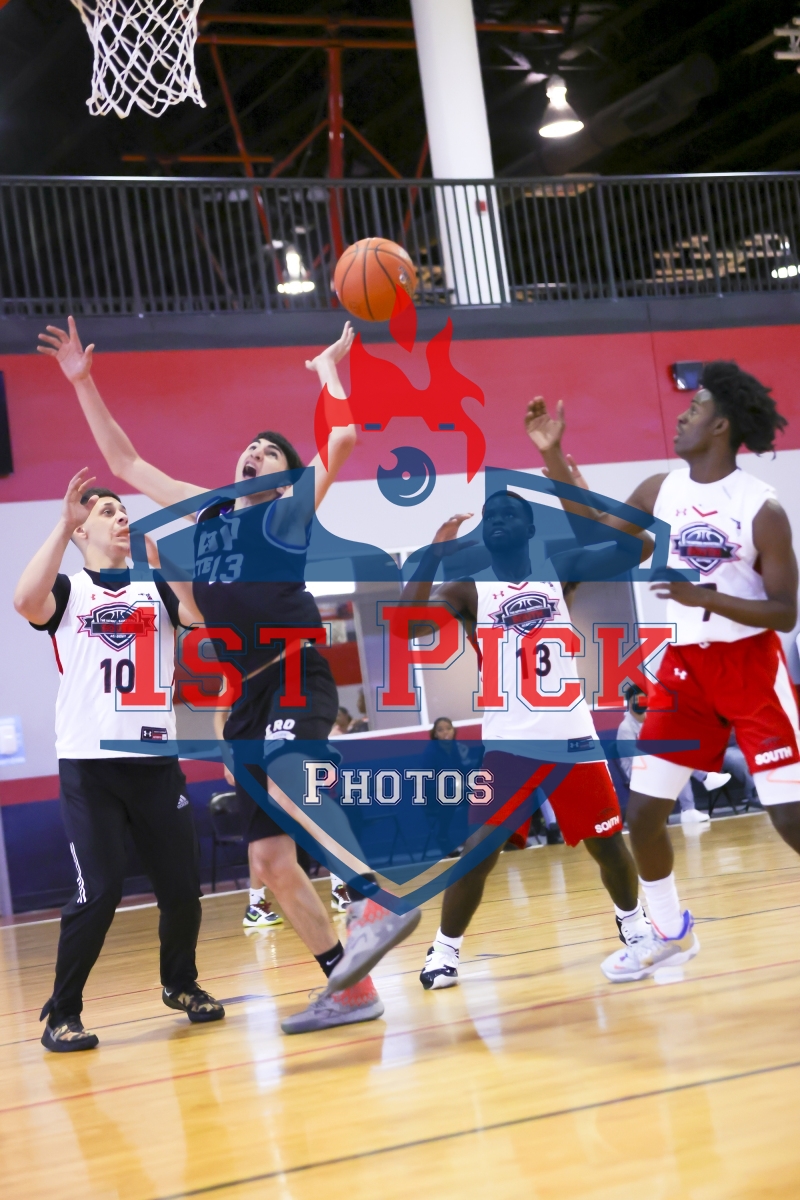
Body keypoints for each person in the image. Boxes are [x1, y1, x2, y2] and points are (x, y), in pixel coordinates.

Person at [38, 317, 420, 1034]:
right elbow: (124, 459)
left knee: (284, 781)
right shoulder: (207, 511)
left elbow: (342, 438)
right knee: (269, 861)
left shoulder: (288, 514)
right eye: (251, 447)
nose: (255, 453)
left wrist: (328, 372)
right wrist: (83, 383)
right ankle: (350, 987)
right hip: (247, 698)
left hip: (295, 672)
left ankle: (375, 896)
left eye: (271, 452)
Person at [527, 361, 800, 981]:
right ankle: (671, 931)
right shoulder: (660, 490)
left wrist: (704, 597)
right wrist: (553, 454)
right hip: (684, 671)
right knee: (645, 815)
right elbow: (600, 536)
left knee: (789, 816)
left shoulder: (762, 508)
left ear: (722, 425)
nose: (682, 415)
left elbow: (785, 611)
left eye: (695, 407)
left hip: (750, 666)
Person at [402, 483, 648, 992]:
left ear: (530, 527)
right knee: (478, 850)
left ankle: (634, 923)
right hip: (508, 744)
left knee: (607, 843)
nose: (497, 519)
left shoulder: (559, 570)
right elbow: (407, 626)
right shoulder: (468, 590)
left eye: (509, 513)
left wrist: (581, 502)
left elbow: (639, 546)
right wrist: (432, 554)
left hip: (572, 736)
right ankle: (444, 950)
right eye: (489, 514)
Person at [14, 472, 225, 1051]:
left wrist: (165, 558)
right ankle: (62, 1013)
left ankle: (180, 984)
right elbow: (24, 601)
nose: (120, 516)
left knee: (181, 888)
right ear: (83, 532)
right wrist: (61, 525)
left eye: (122, 510)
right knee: (99, 891)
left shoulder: (156, 589)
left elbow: (197, 612)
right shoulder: (68, 592)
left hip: (156, 762)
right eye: (106, 511)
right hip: (90, 768)